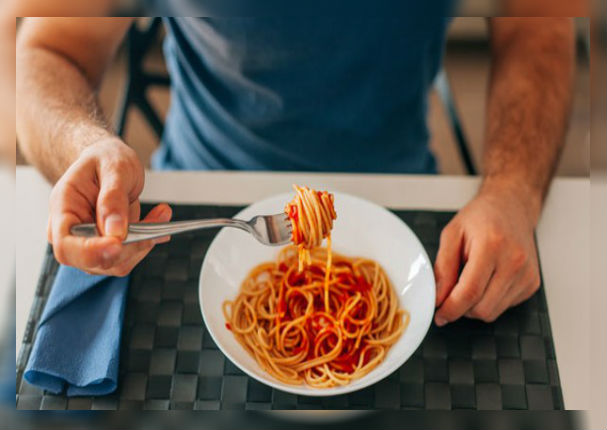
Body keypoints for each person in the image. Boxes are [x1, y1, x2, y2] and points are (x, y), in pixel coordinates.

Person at [16, 14, 575, 327]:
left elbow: (539, 26)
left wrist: (513, 191)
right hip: (181, 215)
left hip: (412, 213)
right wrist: (82, 144)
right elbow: (42, 48)